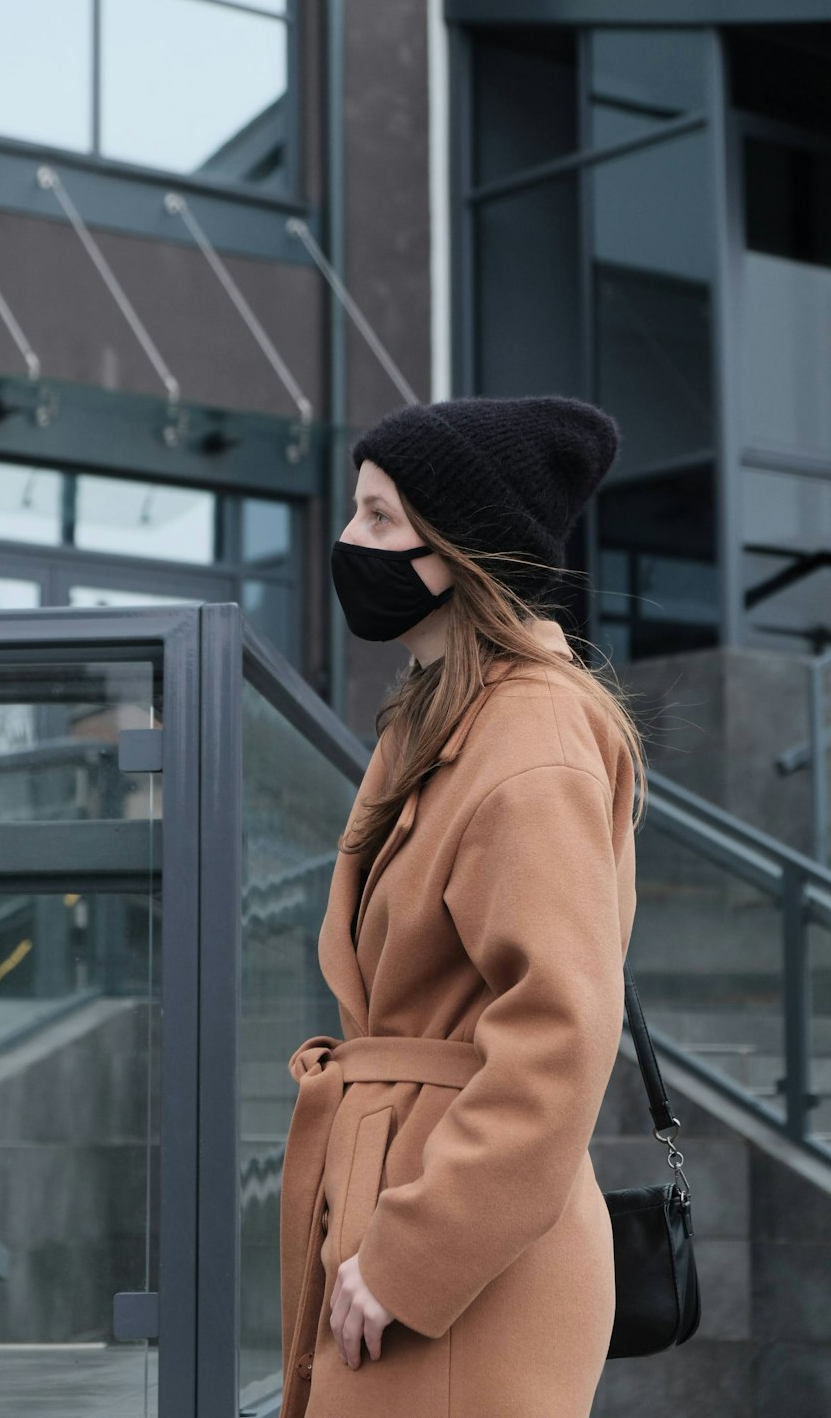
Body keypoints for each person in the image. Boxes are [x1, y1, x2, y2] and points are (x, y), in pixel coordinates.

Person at [277, 396, 646, 1418]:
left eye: (381, 518)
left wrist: (412, 1257)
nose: (349, 540)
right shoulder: (445, 720)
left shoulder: (528, 739)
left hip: (457, 1259)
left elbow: (560, 1033)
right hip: (412, 1213)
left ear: (462, 548)